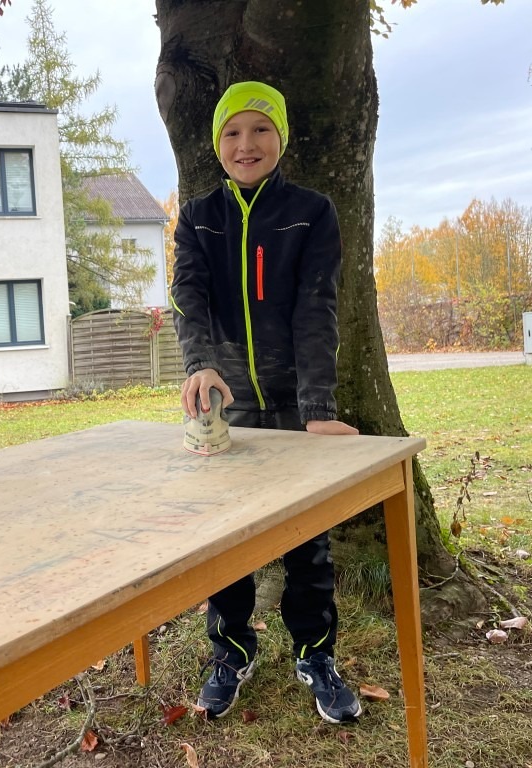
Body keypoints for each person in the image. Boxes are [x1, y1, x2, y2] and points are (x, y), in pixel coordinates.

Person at [170, 80, 363, 724]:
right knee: (225, 542)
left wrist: (317, 409)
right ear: (216, 143)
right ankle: (230, 654)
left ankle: (316, 655)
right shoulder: (198, 217)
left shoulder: (312, 212)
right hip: (226, 407)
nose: (245, 144)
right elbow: (189, 297)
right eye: (232, 132)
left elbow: (317, 310)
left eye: (260, 129)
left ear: (281, 137)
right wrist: (199, 365)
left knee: (309, 545)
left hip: (294, 406)